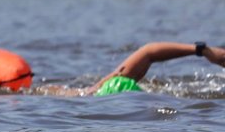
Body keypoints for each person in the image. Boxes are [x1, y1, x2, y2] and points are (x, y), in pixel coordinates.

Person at [84, 41, 225, 96]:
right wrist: (202, 50)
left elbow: (147, 52)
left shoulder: (92, 93)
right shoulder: (101, 90)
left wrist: (203, 50)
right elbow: (147, 53)